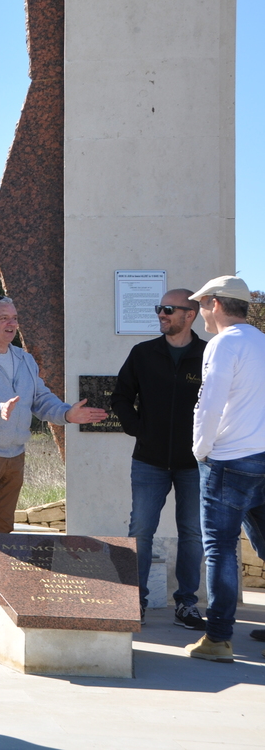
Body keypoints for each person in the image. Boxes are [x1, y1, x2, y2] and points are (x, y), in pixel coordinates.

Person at [0, 296, 108, 533]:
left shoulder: (25, 359)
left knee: (2, 528)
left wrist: (66, 414)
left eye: (14, 318)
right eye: (4, 318)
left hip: (15, 456)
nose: (12, 324)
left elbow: (40, 398)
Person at [110, 289, 206, 629]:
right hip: (149, 461)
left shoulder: (208, 355)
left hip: (195, 464)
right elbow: (120, 397)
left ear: (189, 315)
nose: (161, 315)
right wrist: (139, 429)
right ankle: (135, 601)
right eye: (159, 309)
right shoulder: (143, 353)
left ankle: (186, 604)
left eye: (168, 309)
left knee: (192, 533)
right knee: (141, 530)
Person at [184, 276, 265, 662]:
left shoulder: (222, 343)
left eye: (201, 304)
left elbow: (209, 403)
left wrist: (200, 451)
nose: (199, 312)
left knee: (220, 549)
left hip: (228, 461)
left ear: (216, 304)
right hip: (262, 458)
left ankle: (217, 639)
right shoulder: (261, 341)